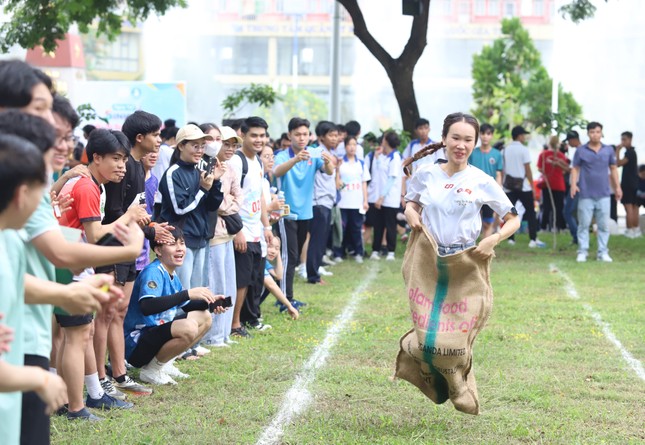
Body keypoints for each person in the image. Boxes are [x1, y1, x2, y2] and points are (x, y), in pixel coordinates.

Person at [56, 129, 143, 419]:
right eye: (116, 159)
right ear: (96, 158)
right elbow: (93, 236)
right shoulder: (87, 187)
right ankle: (79, 405)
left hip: (67, 264)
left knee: (75, 334)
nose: (122, 166)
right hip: (69, 266)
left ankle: (76, 396)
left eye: (124, 160)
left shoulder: (91, 184)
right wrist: (127, 218)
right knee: (77, 336)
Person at [93, 110, 164, 397]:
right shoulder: (126, 168)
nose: (159, 141)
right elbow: (115, 213)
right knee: (107, 314)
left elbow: (135, 212)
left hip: (130, 249)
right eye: (156, 135)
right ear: (139, 137)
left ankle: (119, 373)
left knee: (118, 312)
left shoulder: (137, 167)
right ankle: (99, 378)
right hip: (113, 248)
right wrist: (147, 230)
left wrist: (150, 228)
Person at [403, 111, 519, 254]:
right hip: (426, 253)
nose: (461, 146)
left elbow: (513, 219)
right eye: (456, 138)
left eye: (468, 140)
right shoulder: (425, 173)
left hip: (464, 257)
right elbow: (413, 202)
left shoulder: (482, 180)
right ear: (444, 139)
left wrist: (494, 238)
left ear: (474, 143)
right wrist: (409, 210)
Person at [124, 229, 226, 385]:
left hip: (154, 336)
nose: (180, 248)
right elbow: (147, 306)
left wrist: (211, 303)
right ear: (158, 250)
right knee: (188, 327)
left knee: (204, 317)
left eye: (182, 243)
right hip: (137, 344)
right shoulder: (153, 272)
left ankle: (163, 364)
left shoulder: (171, 273)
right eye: (172, 244)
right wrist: (187, 294)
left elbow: (186, 305)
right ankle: (151, 371)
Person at [274, 117, 334, 301]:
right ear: (290, 135)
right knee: (289, 257)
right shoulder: (283, 155)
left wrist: (328, 161)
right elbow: (276, 171)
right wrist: (295, 159)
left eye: (305, 134)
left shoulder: (313, 154)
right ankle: (286, 298)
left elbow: (329, 171)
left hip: (305, 213)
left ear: (310, 136)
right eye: (297, 134)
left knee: (295, 254)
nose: (301, 138)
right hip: (286, 213)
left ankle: (283, 293)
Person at [158, 124, 224, 289]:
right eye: (195, 146)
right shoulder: (173, 173)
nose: (200, 150)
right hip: (180, 243)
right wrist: (203, 189)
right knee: (182, 294)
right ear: (181, 146)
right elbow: (180, 209)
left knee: (198, 293)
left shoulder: (198, 172)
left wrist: (215, 182)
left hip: (200, 241)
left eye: (202, 146)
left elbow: (211, 206)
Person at [228, 117, 274, 338]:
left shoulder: (258, 162)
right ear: (242, 136)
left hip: (256, 230)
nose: (259, 139)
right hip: (241, 231)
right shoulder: (236, 162)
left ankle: (246, 319)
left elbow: (261, 199)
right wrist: (237, 231)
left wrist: (267, 227)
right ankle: (234, 324)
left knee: (254, 278)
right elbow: (229, 198)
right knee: (241, 280)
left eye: (262, 135)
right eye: (254, 135)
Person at [202, 126, 243, 347]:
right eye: (223, 143)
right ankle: (213, 335)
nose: (228, 148)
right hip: (214, 235)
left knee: (228, 284)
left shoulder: (230, 169)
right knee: (216, 284)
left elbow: (239, 198)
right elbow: (214, 201)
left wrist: (226, 205)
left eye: (231, 144)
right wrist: (228, 205)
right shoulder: (206, 167)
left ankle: (224, 333)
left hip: (227, 233)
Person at [570, 122, 622, 262]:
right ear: (588, 133)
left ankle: (603, 252)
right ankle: (582, 251)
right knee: (584, 224)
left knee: (603, 225)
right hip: (586, 193)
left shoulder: (608, 150)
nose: (595, 134)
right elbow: (575, 168)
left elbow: (613, 169)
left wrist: (617, 187)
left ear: (601, 133)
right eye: (592, 132)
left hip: (604, 194)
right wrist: (573, 185)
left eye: (598, 132)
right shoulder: (581, 150)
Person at [307, 121, 339, 284]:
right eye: (331, 135)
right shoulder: (317, 152)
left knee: (321, 239)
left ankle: (316, 268)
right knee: (317, 239)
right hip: (319, 201)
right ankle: (312, 274)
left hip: (327, 201)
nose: (335, 138)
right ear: (321, 137)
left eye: (336, 135)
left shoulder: (328, 152)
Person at [502, 125, 545, 248]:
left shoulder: (505, 150)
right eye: (523, 135)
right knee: (531, 213)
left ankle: (510, 238)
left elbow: (503, 169)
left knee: (509, 213)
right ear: (519, 136)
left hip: (508, 186)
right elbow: (527, 170)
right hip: (524, 186)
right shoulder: (524, 150)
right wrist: (532, 185)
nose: (525, 137)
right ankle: (533, 239)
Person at [336, 135, 370, 262]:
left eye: (354, 145)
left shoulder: (361, 163)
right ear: (345, 147)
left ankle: (358, 253)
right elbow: (337, 182)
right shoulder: (340, 163)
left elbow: (364, 183)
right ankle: (339, 253)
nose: (352, 147)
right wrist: (338, 170)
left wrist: (365, 200)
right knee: (341, 229)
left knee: (356, 229)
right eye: (349, 145)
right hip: (342, 202)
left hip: (357, 202)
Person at [370, 131, 403, 261]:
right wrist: (377, 158)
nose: (382, 141)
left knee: (390, 225)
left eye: (384, 139)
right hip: (380, 197)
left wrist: (381, 197)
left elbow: (391, 179)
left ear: (387, 141)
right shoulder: (385, 156)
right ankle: (375, 250)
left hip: (389, 199)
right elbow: (379, 173)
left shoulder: (395, 157)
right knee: (378, 225)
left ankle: (390, 251)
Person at [468, 123, 503, 238]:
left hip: (489, 192)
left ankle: (484, 249)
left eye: (488, 134)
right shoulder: (472, 152)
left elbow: (498, 174)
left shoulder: (497, 154)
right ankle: (468, 248)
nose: (485, 137)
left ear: (492, 136)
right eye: (482, 133)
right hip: (473, 192)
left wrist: (498, 190)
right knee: (470, 222)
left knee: (488, 222)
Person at [260, 237, 299, 319]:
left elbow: (279, 276)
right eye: (270, 246)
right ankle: (249, 311)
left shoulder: (264, 262)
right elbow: (271, 286)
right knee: (269, 281)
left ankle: (253, 309)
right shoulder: (258, 260)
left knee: (272, 277)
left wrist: (278, 255)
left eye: (276, 248)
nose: (273, 251)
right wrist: (289, 306)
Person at [537, 135, 568, 232]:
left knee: (546, 207)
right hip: (558, 184)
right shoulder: (562, 156)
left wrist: (546, 172)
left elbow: (539, 168)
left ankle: (543, 227)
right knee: (559, 207)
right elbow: (565, 170)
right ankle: (560, 227)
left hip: (547, 184)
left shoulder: (543, 154)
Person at [615, 131, 641, 238]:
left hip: (628, 184)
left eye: (624, 140)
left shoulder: (629, 153)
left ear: (630, 139)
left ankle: (630, 229)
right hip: (634, 183)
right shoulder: (633, 152)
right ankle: (636, 229)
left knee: (628, 207)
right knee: (634, 207)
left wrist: (617, 151)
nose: (622, 142)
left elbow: (618, 163)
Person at [563, 131, 581, 244]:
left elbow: (573, 170)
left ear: (573, 139)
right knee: (573, 213)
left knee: (567, 212)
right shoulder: (580, 150)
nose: (568, 144)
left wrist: (559, 164)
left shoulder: (580, 151)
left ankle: (577, 237)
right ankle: (578, 237)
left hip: (577, 186)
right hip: (577, 185)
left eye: (569, 141)